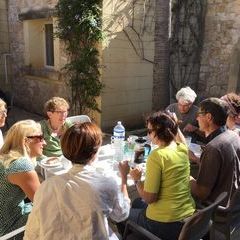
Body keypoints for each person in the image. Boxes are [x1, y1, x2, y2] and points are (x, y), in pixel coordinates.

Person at [24, 122, 130, 240]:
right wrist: (124, 179)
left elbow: (32, 230)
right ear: (95, 152)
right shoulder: (106, 183)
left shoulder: (47, 186)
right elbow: (121, 215)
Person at [123, 111, 195, 240]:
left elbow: (150, 198)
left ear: (160, 133)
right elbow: (181, 139)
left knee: (120, 215)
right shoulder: (182, 148)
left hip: (165, 223)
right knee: (137, 202)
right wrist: (174, 124)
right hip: (187, 217)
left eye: (150, 131)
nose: (148, 134)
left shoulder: (157, 156)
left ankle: (135, 236)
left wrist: (137, 180)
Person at [190, 98, 240, 206]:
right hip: (232, 203)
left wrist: (185, 176)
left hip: (214, 210)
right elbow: (222, 168)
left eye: (199, 114)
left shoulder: (214, 148)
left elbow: (201, 193)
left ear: (209, 117)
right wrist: (195, 158)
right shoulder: (233, 136)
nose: (197, 118)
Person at [0, 120, 43, 237]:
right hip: (9, 229)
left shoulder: (5, 156)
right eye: (40, 138)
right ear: (26, 141)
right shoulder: (22, 166)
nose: (44, 143)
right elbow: (43, 203)